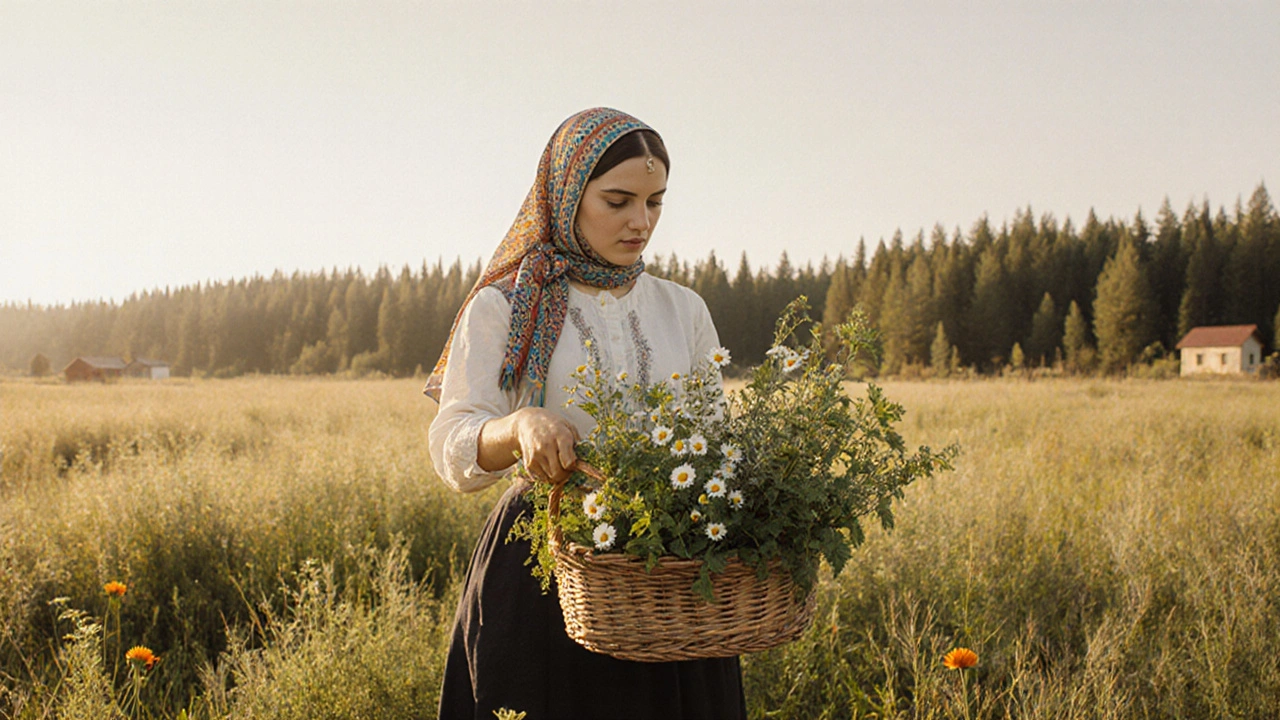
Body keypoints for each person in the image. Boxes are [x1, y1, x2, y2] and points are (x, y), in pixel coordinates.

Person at [425, 108, 746, 719]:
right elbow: (454, 446)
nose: (640, 222)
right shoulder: (504, 306)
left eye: (655, 203)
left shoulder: (683, 310)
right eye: (619, 200)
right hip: (546, 569)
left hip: (669, 574)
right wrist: (519, 428)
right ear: (567, 194)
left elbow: (715, 439)